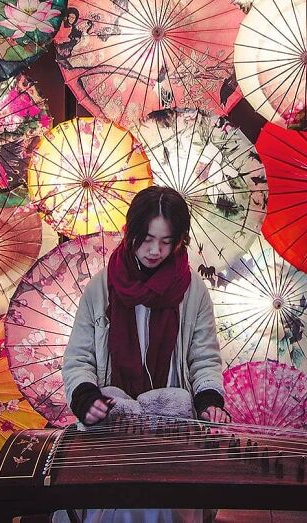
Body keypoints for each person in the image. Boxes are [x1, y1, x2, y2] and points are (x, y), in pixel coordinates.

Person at [57, 185, 230, 523]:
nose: (155, 250)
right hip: (114, 424)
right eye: (147, 239)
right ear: (131, 232)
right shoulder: (101, 287)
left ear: (180, 240)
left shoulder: (193, 291)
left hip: (170, 427)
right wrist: (85, 398)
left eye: (167, 242)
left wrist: (209, 398)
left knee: (162, 505)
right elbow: (78, 358)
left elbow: (205, 357)